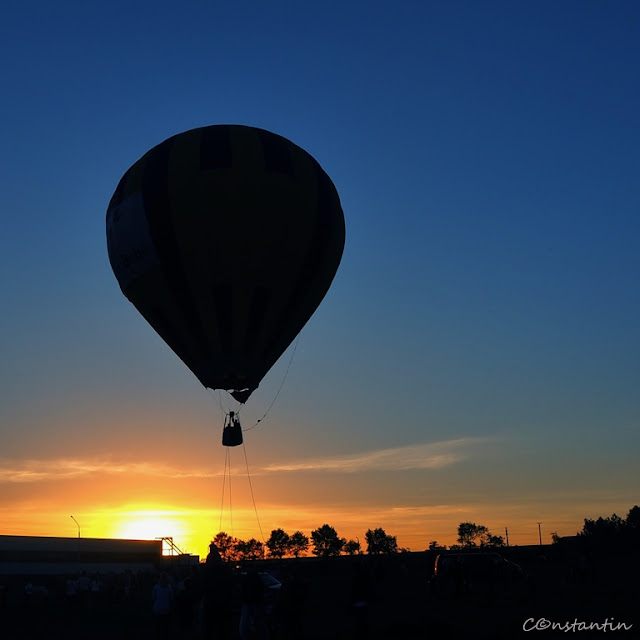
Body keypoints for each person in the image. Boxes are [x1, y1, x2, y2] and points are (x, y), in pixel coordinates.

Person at [152, 572, 174, 639]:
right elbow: (171, 599)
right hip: (166, 609)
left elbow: (153, 598)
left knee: (157, 626)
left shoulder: (156, 587)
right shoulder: (169, 587)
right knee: (166, 626)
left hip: (157, 609)